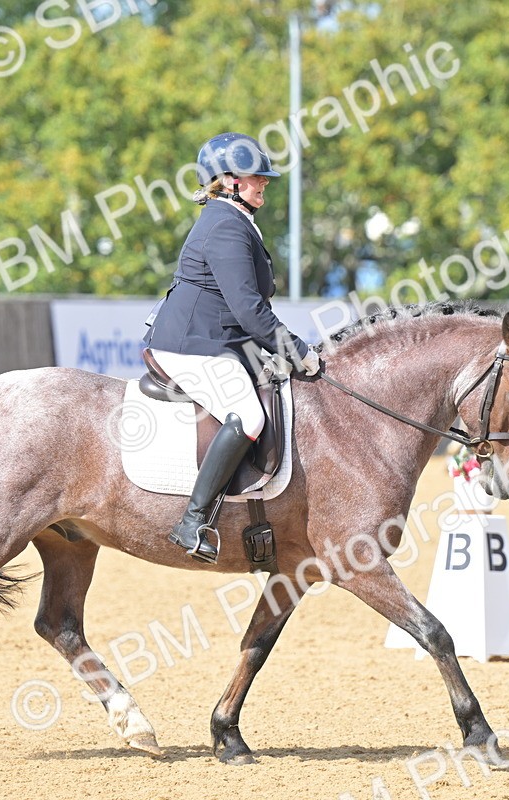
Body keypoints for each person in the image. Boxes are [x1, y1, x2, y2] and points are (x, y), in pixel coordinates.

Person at [143, 132, 321, 563]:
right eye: (257, 176)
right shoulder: (224, 225)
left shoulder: (234, 219)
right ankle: (192, 521)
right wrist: (298, 350)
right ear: (229, 181)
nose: (265, 183)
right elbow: (248, 309)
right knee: (250, 415)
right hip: (191, 344)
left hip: (219, 341)